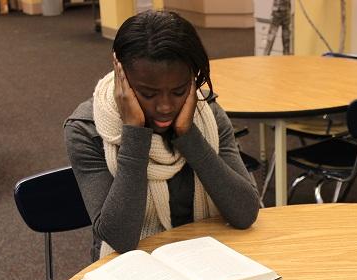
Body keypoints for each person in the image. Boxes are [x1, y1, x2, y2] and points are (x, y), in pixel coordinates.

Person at [64, 10, 260, 261]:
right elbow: (120, 238)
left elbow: (244, 213)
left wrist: (188, 135)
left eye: (179, 91)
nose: (165, 107)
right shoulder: (86, 129)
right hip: (132, 266)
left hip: (207, 256)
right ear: (121, 78)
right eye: (147, 94)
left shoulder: (206, 113)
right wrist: (135, 134)